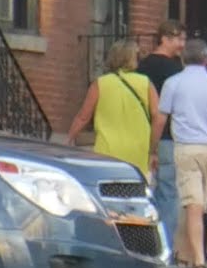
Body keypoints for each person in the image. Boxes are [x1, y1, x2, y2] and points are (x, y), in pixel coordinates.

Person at [151, 38, 207, 268]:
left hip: (186, 149)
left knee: (193, 207)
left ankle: (198, 262)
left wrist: (153, 150)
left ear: (182, 59)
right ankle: (191, 257)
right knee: (197, 206)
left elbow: (160, 119)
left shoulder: (173, 83)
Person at [66, 39, 158, 174]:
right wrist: (153, 148)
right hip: (138, 149)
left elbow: (83, 117)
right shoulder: (146, 83)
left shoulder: (100, 83)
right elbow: (157, 115)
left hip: (107, 149)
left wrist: (70, 138)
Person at [136, 20, 187, 257]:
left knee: (144, 192)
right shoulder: (176, 72)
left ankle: (144, 244)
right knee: (168, 192)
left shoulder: (141, 67)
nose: (182, 44)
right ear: (164, 38)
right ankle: (165, 247)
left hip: (142, 135)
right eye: (178, 39)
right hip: (168, 137)